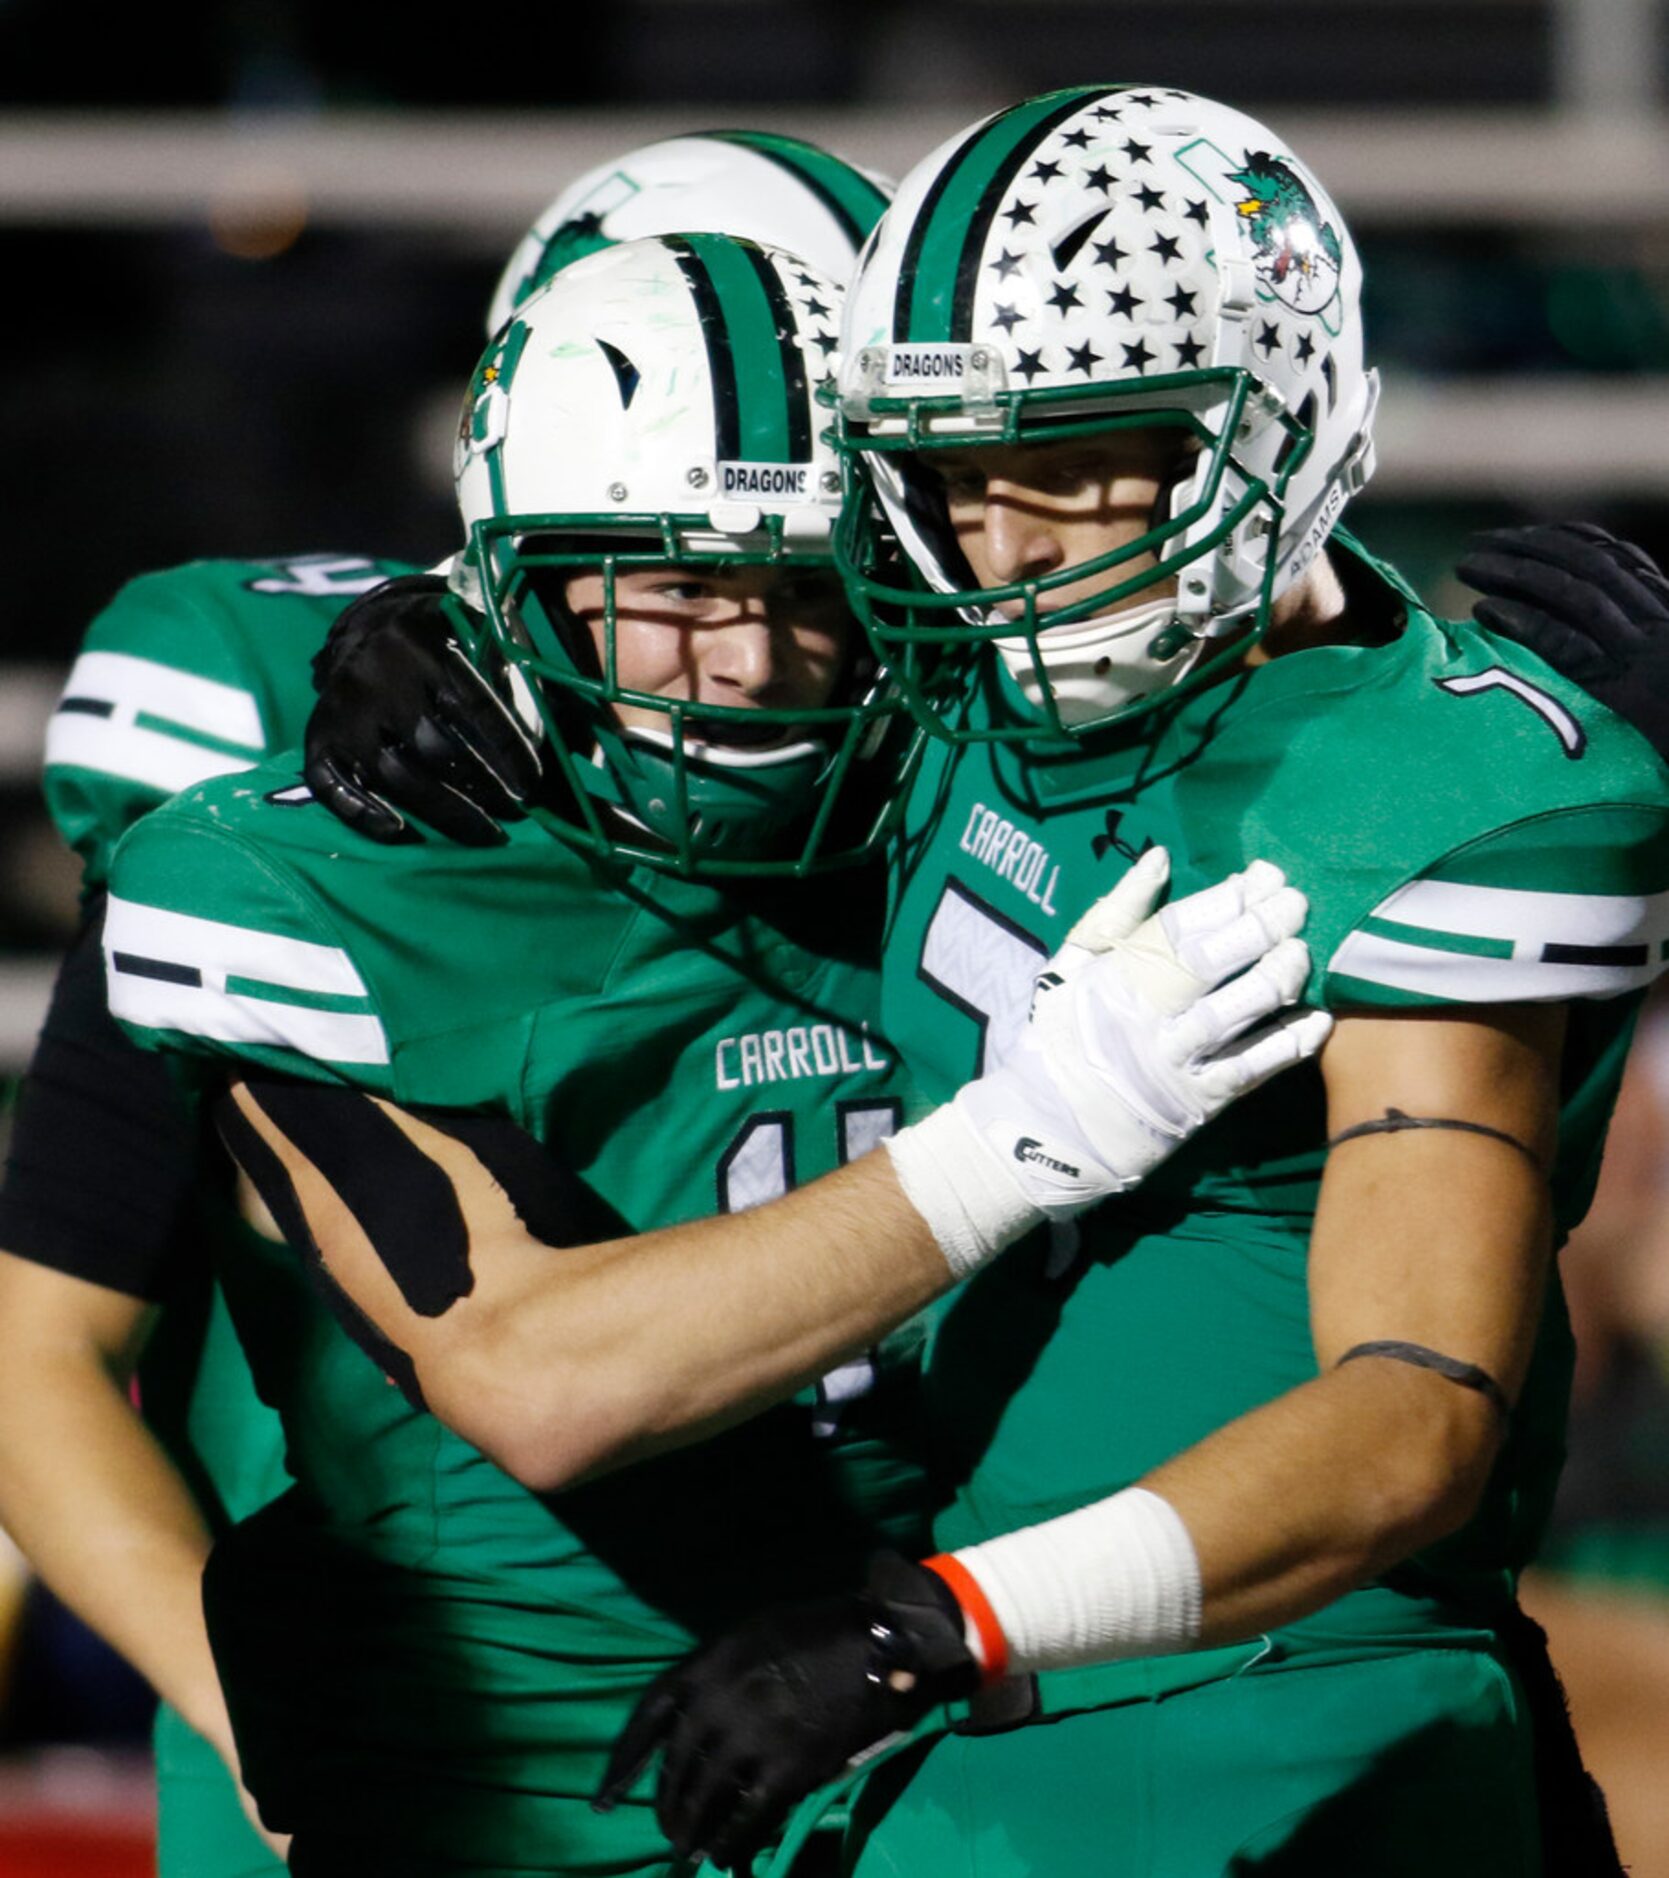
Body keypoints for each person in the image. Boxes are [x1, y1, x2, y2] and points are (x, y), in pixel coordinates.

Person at [237, 88, 1669, 1875]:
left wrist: (944, 1620)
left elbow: (1407, 1421)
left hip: (1279, 1694)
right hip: (947, 1706)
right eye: (949, 468)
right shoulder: (947, 680)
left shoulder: (1448, 793)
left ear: (1277, 409)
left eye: (1073, 459)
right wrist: (428, 640)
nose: (1002, 541)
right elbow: (667, 618)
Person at [0, 130, 895, 1878]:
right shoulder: (246, 724)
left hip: (884, 1707)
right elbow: (41, 1355)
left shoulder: (964, 775)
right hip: (423, 1734)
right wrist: (246, 1704)